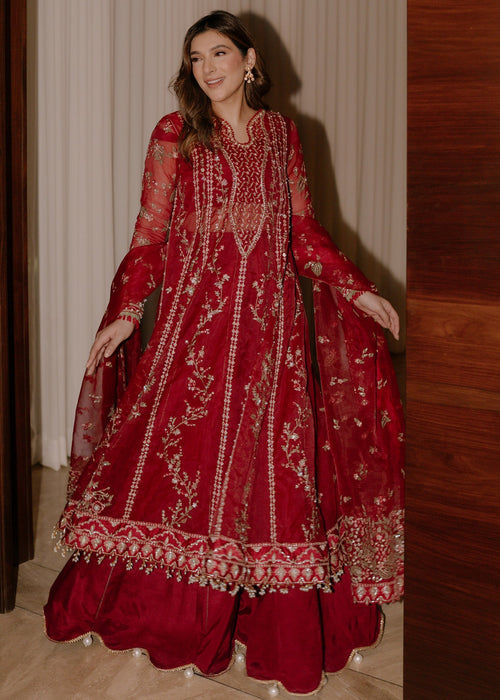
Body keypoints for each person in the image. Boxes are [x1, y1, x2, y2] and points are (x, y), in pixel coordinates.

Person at [44, 10, 404, 696]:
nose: (207, 68)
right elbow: (150, 236)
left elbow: (303, 232)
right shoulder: (176, 133)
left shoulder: (282, 134)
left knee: (273, 467)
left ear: (249, 59)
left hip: (272, 333)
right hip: (195, 329)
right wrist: (126, 313)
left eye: (218, 53)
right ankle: (167, 607)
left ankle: (268, 615)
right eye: (196, 58)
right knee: (181, 458)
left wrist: (357, 290)